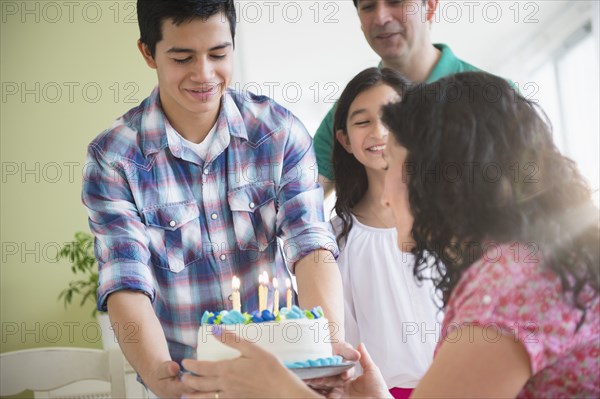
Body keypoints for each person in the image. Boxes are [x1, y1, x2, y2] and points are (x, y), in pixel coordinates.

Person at [180, 72, 600, 398]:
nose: (386, 198)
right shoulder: (528, 264)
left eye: (397, 163)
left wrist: (280, 390)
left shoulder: (511, 287)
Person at [81, 1, 355, 397]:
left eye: (218, 54)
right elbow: (126, 281)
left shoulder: (278, 133)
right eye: (182, 57)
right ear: (148, 52)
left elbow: (311, 246)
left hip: (285, 378)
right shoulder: (115, 159)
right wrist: (163, 377)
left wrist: (326, 350)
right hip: (188, 379)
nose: (204, 74)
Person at [331, 67, 439, 398]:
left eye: (391, 117)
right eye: (362, 122)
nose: (379, 131)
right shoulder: (336, 238)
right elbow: (345, 336)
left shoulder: (450, 219)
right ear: (345, 140)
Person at [314, 0, 481, 198]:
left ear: (430, 6)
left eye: (396, 2)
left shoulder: (493, 97)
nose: (381, 18)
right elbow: (301, 202)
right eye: (368, 7)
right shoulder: (349, 109)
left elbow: (522, 203)